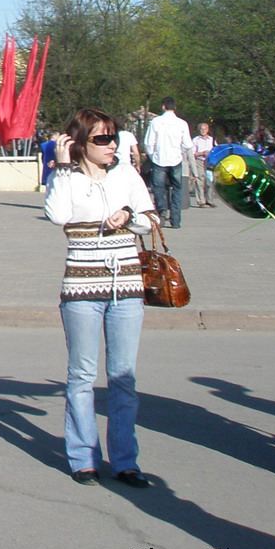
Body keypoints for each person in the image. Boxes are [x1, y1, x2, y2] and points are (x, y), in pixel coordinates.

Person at [45, 107, 156, 489]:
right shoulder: (66, 178)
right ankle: (83, 458)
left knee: (123, 377)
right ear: (80, 143)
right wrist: (62, 168)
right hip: (81, 289)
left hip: (127, 287)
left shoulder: (126, 174)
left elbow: (150, 219)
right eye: (103, 138)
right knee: (82, 375)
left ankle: (125, 461)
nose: (112, 145)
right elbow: (58, 215)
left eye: (114, 137)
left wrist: (128, 215)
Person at [143, 97, 193, 229]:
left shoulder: (156, 122)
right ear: (174, 107)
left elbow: (148, 142)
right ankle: (176, 220)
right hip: (175, 159)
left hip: (159, 159)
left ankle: (162, 210)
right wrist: (179, 151)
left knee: (158, 188)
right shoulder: (182, 123)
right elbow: (188, 144)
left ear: (163, 107)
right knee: (177, 189)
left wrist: (152, 155)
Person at [191, 122, 215, 207]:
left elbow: (216, 149)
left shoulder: (211, 139)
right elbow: (192, 153)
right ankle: (201, 201)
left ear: (207, 130)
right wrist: (202, 153)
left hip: (209, 162)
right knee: (200, 181)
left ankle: (210, 200)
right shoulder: (195, 140)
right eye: (201, 129)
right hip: (199, 161)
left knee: (210, 180)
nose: (203, 131)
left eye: (205, 129)